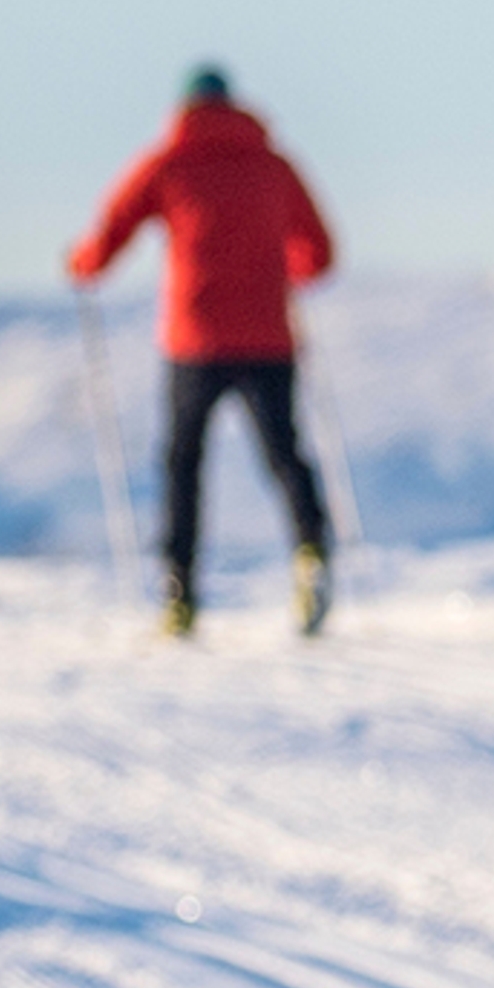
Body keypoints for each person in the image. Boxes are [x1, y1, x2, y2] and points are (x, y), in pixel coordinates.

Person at [65, 66, 337, 636]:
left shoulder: (168, 161)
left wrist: (85, 262)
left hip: (195, 339)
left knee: (183, 462)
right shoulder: (273, 165)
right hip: (268, 335)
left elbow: (113, 229)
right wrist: (290, 268)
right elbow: (319, 252)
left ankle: (179, 589)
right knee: (284, 453)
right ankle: (312, 549)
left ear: (186, 107)